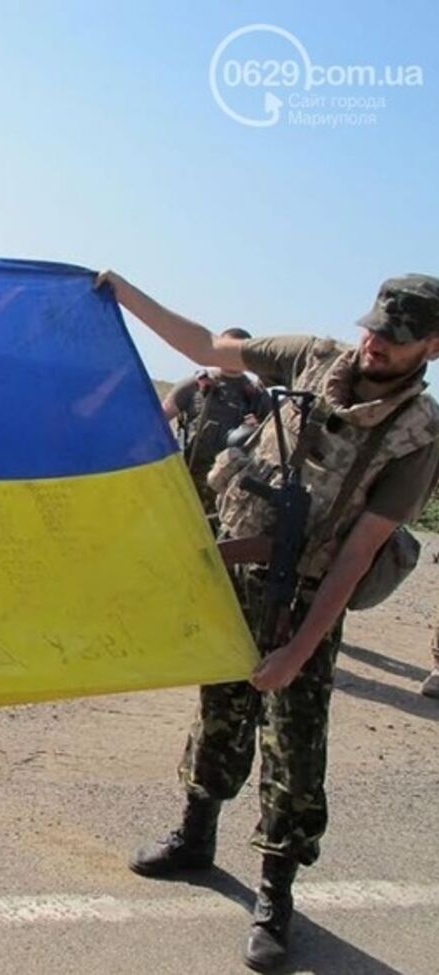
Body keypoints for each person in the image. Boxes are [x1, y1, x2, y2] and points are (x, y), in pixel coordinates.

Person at [97, 270, 439, 972]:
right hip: (236, 574)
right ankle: (196, 837)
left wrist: (296, 650)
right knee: (218, 708)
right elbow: (204, 344)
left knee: (294, 743)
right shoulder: (311, 357)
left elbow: (358, 555)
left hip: (308, 594)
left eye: (396, 339)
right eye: (374, 327)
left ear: (431, 347)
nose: (375, 343)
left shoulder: (416, 435)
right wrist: (120, 291)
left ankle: (275, 891)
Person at [161, 327, 269, 514]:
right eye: (228, 350)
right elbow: (158, 421)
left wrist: (258, 430)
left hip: (233, 486)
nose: (232, 357)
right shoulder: (194, 386)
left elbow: (274, 441)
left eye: (239, 351)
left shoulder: (256, 394)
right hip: (190, 479)